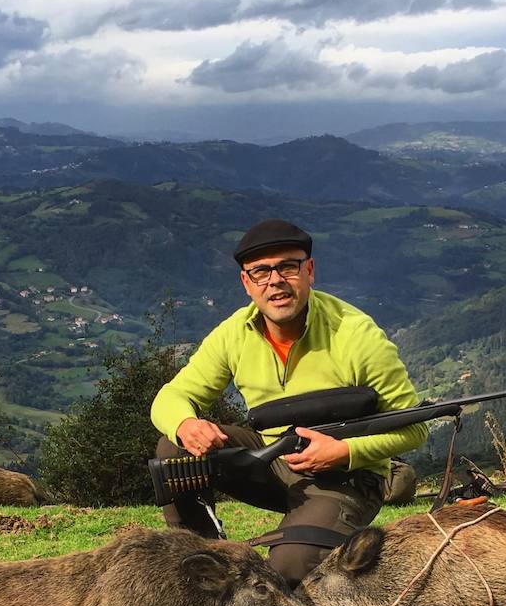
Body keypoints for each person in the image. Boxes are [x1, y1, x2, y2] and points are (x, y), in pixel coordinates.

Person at [150, 218, 427, 586]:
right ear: (246, 283)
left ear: (309, 271)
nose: (275, 281)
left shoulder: (358, 335)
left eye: (287, 267)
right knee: (174, 448)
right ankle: (200, 563)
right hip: (272, 460)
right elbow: (170, 397)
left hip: (347, 479)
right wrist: (187, 425)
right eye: (261, 272)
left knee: (282, 576)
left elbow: (413, 426)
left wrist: (344, 451)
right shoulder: (235, 332)